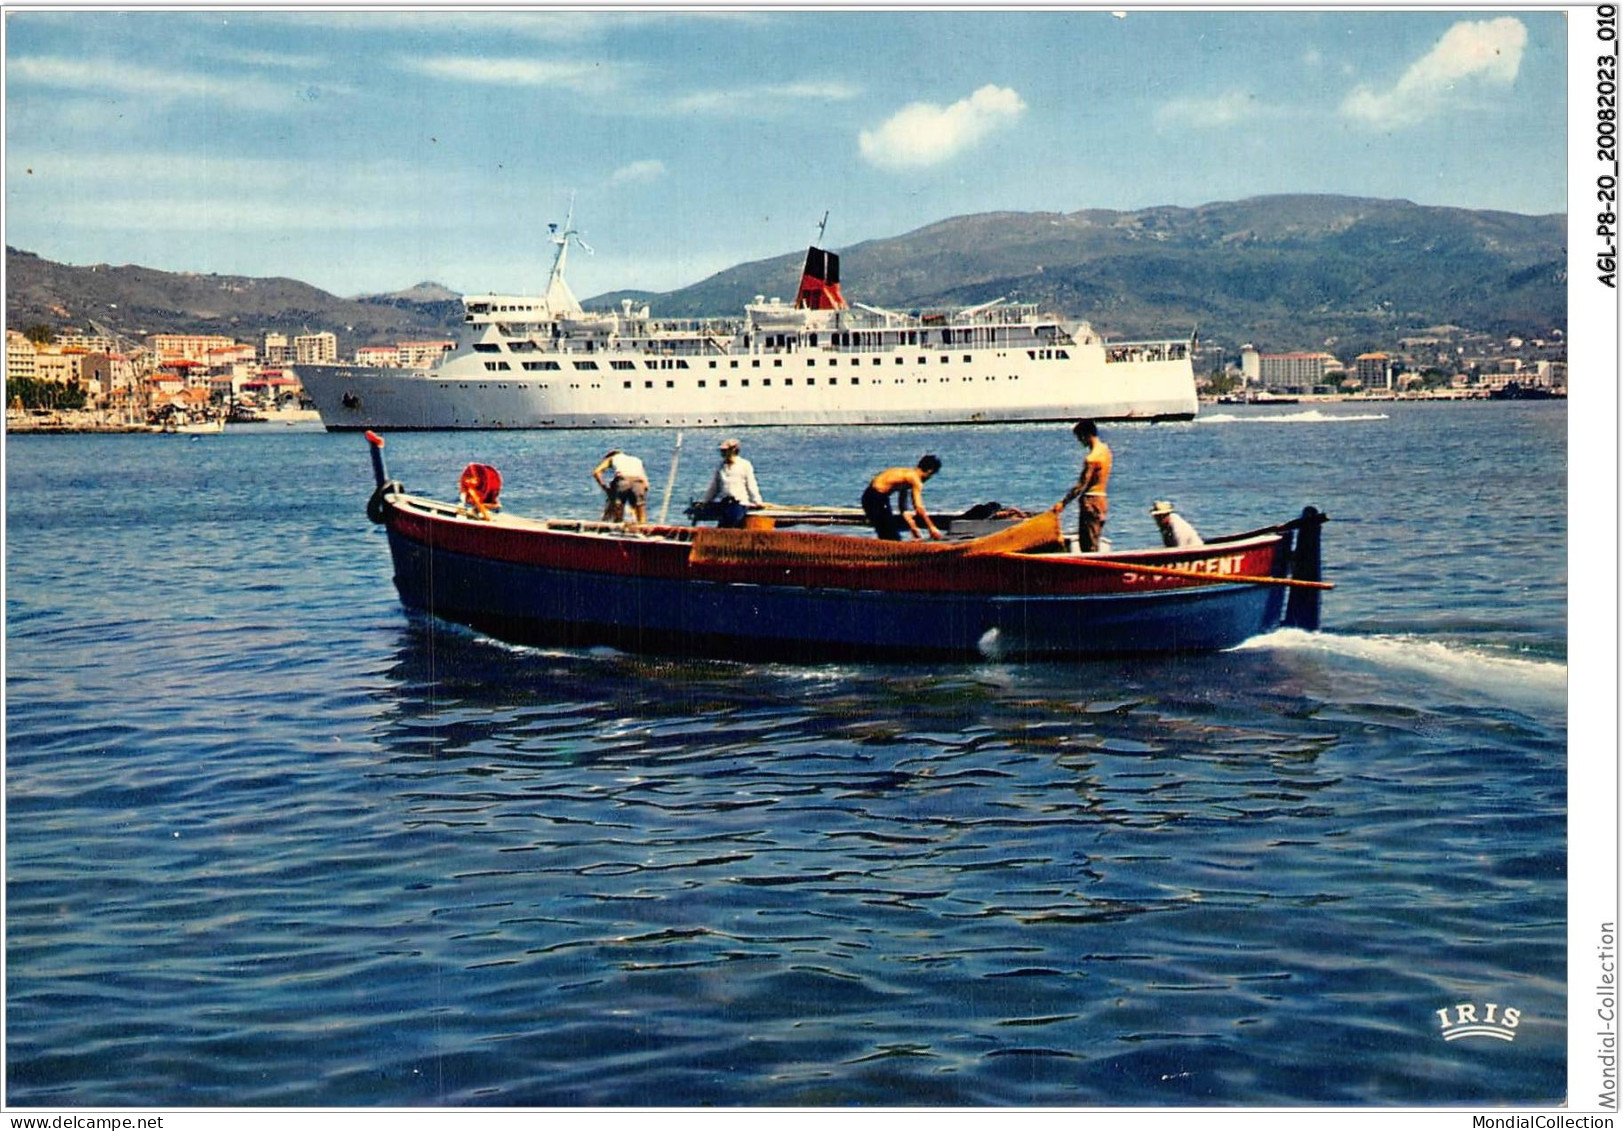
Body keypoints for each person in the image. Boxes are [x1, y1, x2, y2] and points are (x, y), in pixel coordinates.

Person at [1052, 419, 1112, 552]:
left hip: (1090, 502)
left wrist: (1063, 503)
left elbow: (1080, 486)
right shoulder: (1106, 451)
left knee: (1088, 544)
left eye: (1080, 438)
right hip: (1102, 500)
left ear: (1086, 435)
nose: (1080, 442)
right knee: (1095, 538)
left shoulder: (1092, 458)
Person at [862, 455, 943, 541]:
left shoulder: (906, 476)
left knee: (886, 533)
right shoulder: (915, 479)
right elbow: (919, 508)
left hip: (870, 496)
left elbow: (903, 508)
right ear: (930, 471)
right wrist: (931, 527)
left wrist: (913, 526)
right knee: (890, 535)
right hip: (876, 498)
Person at [700, 438, 764, 528]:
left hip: (739, 503)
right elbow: (714, 487)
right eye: (721, 451)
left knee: (731, 523)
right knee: (720, 526)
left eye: (724, 450)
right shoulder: (720, 465)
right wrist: (705, 501)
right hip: (724, 503)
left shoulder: (744, 465)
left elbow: (751, 485)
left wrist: (757, 501)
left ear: (733, 450)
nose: (722, 453)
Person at [591, 448, 649, 524]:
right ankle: (643, 528)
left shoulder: (612, 458)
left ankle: (616, 526)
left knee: (618, 506)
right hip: (639, 482)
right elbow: (646, 484)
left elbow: (596, 472)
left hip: (623, 481)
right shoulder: (636, 460)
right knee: (640, 507)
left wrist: (605, 487)